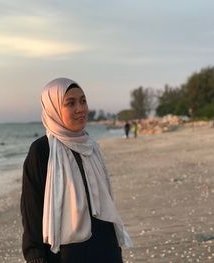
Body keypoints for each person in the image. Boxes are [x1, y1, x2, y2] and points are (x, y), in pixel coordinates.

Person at [20, 78, 132, 263]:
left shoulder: (92, 147)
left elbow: (106, 203)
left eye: (83, 101)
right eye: (70, 103)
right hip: (66, 252)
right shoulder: (42, 150)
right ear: (53, 109)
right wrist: (35, 254)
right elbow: (31, 208)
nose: (80, 108)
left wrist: (116, 250)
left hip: (105, 246)